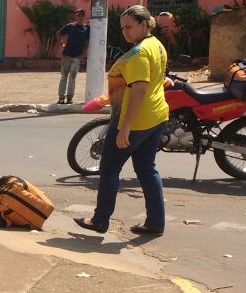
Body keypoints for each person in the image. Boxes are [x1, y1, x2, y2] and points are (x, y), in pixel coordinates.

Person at [73, 5, 168, 237]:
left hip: (135, 121)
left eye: (129, 27)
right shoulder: (156, 45)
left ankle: (99, 220)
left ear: (143, 25)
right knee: (147, 169)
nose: (125, 32)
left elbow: (139, 90)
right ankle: (155, 222)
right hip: (156, 116)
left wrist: (125, 128)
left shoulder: (139, 54)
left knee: (109, 169)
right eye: (122, 28)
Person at [57, 9, 90, 104]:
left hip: (77, 57)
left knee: (72, 77)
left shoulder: (87, 28)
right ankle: (61, 97)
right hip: (66, 55)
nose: (80, 17)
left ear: (84, 17)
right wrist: (61, 43)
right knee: (64, 77)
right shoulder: (70, 26)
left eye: (82, 16)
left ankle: (70, 97)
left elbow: (87, 42)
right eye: (78, 16)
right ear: (76, 17)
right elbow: (59, 33)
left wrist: (83, 54)